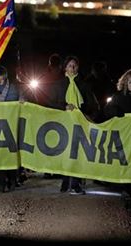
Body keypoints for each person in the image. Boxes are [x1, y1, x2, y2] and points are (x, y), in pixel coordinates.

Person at [52, 56, 99, 195]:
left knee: (78, 152)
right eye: (70, 65)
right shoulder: (59, 84)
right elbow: (50, 103)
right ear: (65, 67)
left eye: (75, 65)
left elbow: (93, 105)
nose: (72, 68)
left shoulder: (84, 85)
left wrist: (87, 117)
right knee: (65, 151)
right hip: (63, 123)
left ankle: (76, 183)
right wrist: (64, 106)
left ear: (78, 68)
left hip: (79, 123)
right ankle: (65, 180)